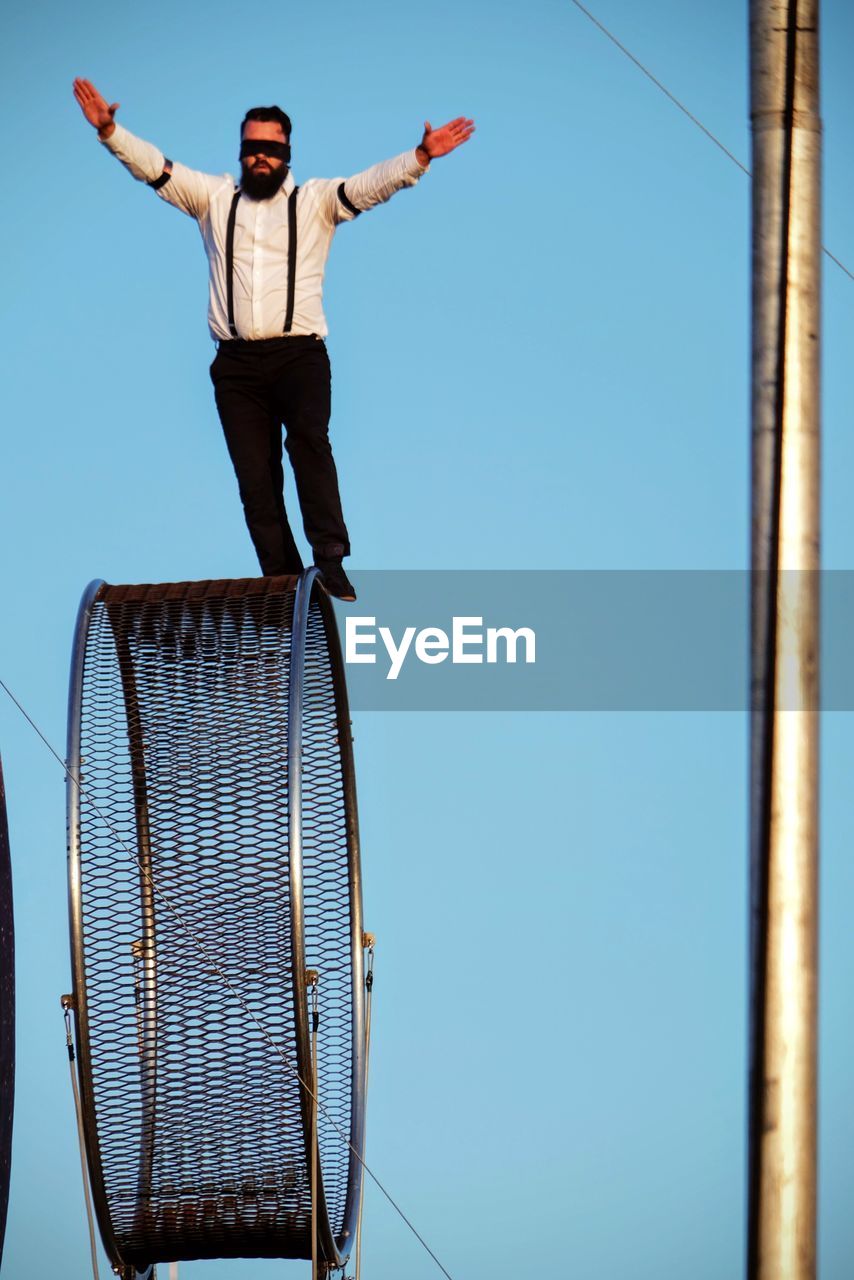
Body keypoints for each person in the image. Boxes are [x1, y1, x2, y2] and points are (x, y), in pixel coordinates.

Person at [72, 78, 475, 600]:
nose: (260, 158)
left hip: (298, 355)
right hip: (236, 366)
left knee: (309, 440)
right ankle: (284, 582)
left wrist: (420, 156)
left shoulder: (314, 201)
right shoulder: (213, 198)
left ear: (288, 153)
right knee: (255, 481)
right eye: (251, 148)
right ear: (240, 152)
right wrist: (109, 130)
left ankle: (329, 559)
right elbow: (154, 167)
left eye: (271, 149)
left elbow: (371, 185)